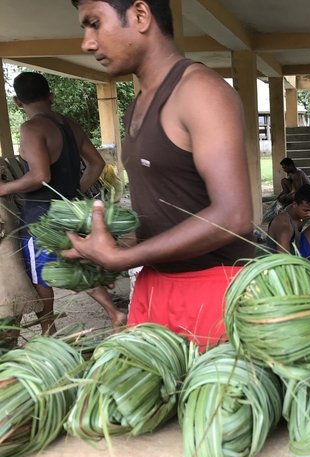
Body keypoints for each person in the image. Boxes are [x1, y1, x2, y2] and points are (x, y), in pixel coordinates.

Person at [66, 0, 254, 347]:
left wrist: (124, 258)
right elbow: (163, 209)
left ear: (140, 15)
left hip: (216, 290)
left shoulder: (199, 90)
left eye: (94, 23)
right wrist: (109, 248)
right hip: (155, 287)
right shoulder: (136, 105)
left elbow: (235, 216)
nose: (87, 43)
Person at [0, 72, 125, 335]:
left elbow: (39, 176)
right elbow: (98, 163)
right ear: (50, 96)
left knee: (39, 275)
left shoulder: (31, 128)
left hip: (40, 216)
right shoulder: (71, 126)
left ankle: (49, 330)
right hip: (71, 210)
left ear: (17, 102)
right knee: (76, 262)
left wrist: (5, 188)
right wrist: (73, 192)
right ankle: (114, 313)